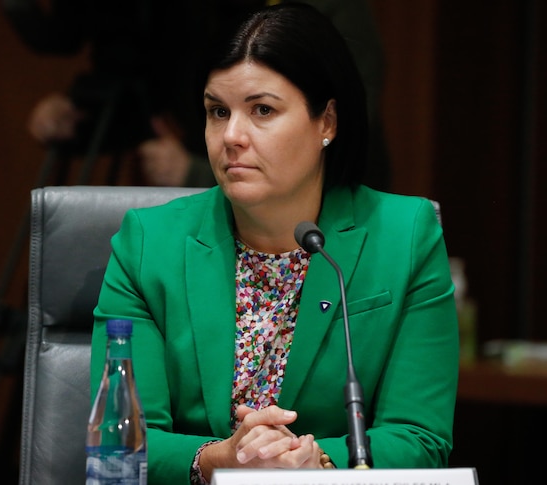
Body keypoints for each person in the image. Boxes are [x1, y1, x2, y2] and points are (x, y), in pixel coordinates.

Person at [91, 3, 458, 484]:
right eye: (218, 112)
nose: (232, 136)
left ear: (327, 122)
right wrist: (219, 460)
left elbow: (419, 438)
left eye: (262, 110)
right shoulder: (147, 243)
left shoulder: (405, 236)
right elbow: (121, 442)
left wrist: (314, 463)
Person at [16, 0, 390, 190]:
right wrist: (79, 116)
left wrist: (196, 173)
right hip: (218, 206)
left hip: (327, 207)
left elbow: (346, 120)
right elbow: (152, 84)